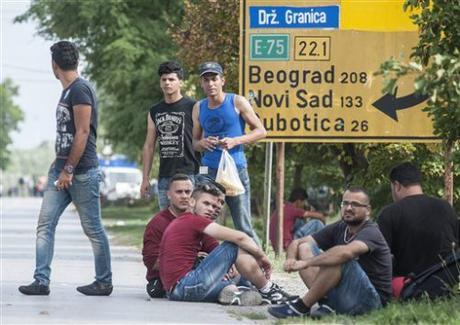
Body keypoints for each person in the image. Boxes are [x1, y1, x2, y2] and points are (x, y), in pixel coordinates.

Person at [18, 41, 112, 296]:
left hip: (80, 172)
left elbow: (82, 132)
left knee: (93, 228)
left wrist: (68, 169)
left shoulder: (80, 90)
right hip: (60, 168)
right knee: (45, 224)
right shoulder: (69, 90)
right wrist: (58, 162)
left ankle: (104, 281)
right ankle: (41, 280)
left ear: (54, 65)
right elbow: (67, 134)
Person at [159, 185, 294, 305]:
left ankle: (237, 293)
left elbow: (216, 251)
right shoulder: (193, 220)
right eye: (206, 204)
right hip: (186, 285)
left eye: (215, 207)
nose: (211, 209)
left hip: (176, 292)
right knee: (233, 245)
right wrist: (263, 257)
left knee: (230, 281)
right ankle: (268, 290)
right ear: (192, 202)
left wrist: (225, 265)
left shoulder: (183, 221)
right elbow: (241, 237)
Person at [269, 186, 392, 319]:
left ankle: (301, 306)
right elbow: (297, 242)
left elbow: (345, 253)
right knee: (304, 247)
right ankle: (328, 304)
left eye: (355, 204)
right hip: (347, 296)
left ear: (368, 210)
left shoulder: (371, 231)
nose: (348, 208)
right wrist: (291, 259)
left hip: (371, 302)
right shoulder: (341, 227)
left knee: (338, 258)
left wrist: (305, 263)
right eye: (345, 203)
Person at [192, 61, 266, 245]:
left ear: (222, 80)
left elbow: (261, 131)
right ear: (201, 84)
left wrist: (235, 141)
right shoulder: (198, 107)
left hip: (235, 169)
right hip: (208, 171)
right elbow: (194, 143)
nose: (210, 84)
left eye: (214, 79)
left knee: (242, 224)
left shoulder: (237, 101)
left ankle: (261, 267)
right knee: (203, 223)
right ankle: (206, 264)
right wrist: (202, 143)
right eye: (206, 80)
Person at [377, 162, 458, 279]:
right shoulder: (445, 207)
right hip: (447, 281)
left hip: (409, 285)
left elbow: (381, 256)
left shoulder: (389, 213)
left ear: (397, 185)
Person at [141, 61, 199, 210]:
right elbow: (149, 146)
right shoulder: (155, 111)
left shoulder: (193, 106)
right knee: (166, 224)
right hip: (165, 176)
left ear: (180, 82)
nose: (167, 83)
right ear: (160, 83)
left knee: (189, 222)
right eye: (164, 79)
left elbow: (202, 139)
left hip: (190, 174)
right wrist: (145, 179)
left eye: (171, 79)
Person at [142, 174, 194, 298]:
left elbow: (212, 246)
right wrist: (192, 258)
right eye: (179, 192)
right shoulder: (157, 223)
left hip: (196, 274)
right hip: (164, 280)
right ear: (168, 195)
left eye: (188, 192)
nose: (184, 196)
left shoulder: (197, 220)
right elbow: (152, 263)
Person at [269, 187, 325, 253]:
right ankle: (326, 246)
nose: (304, 205)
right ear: (298, 201)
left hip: (277, 244)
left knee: (299, 221)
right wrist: (323, 218)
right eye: (303, 202)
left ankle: (313, 246)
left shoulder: (284, 206)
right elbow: (319, 216)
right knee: (316, 223)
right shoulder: (293, 210)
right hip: (287, 245)